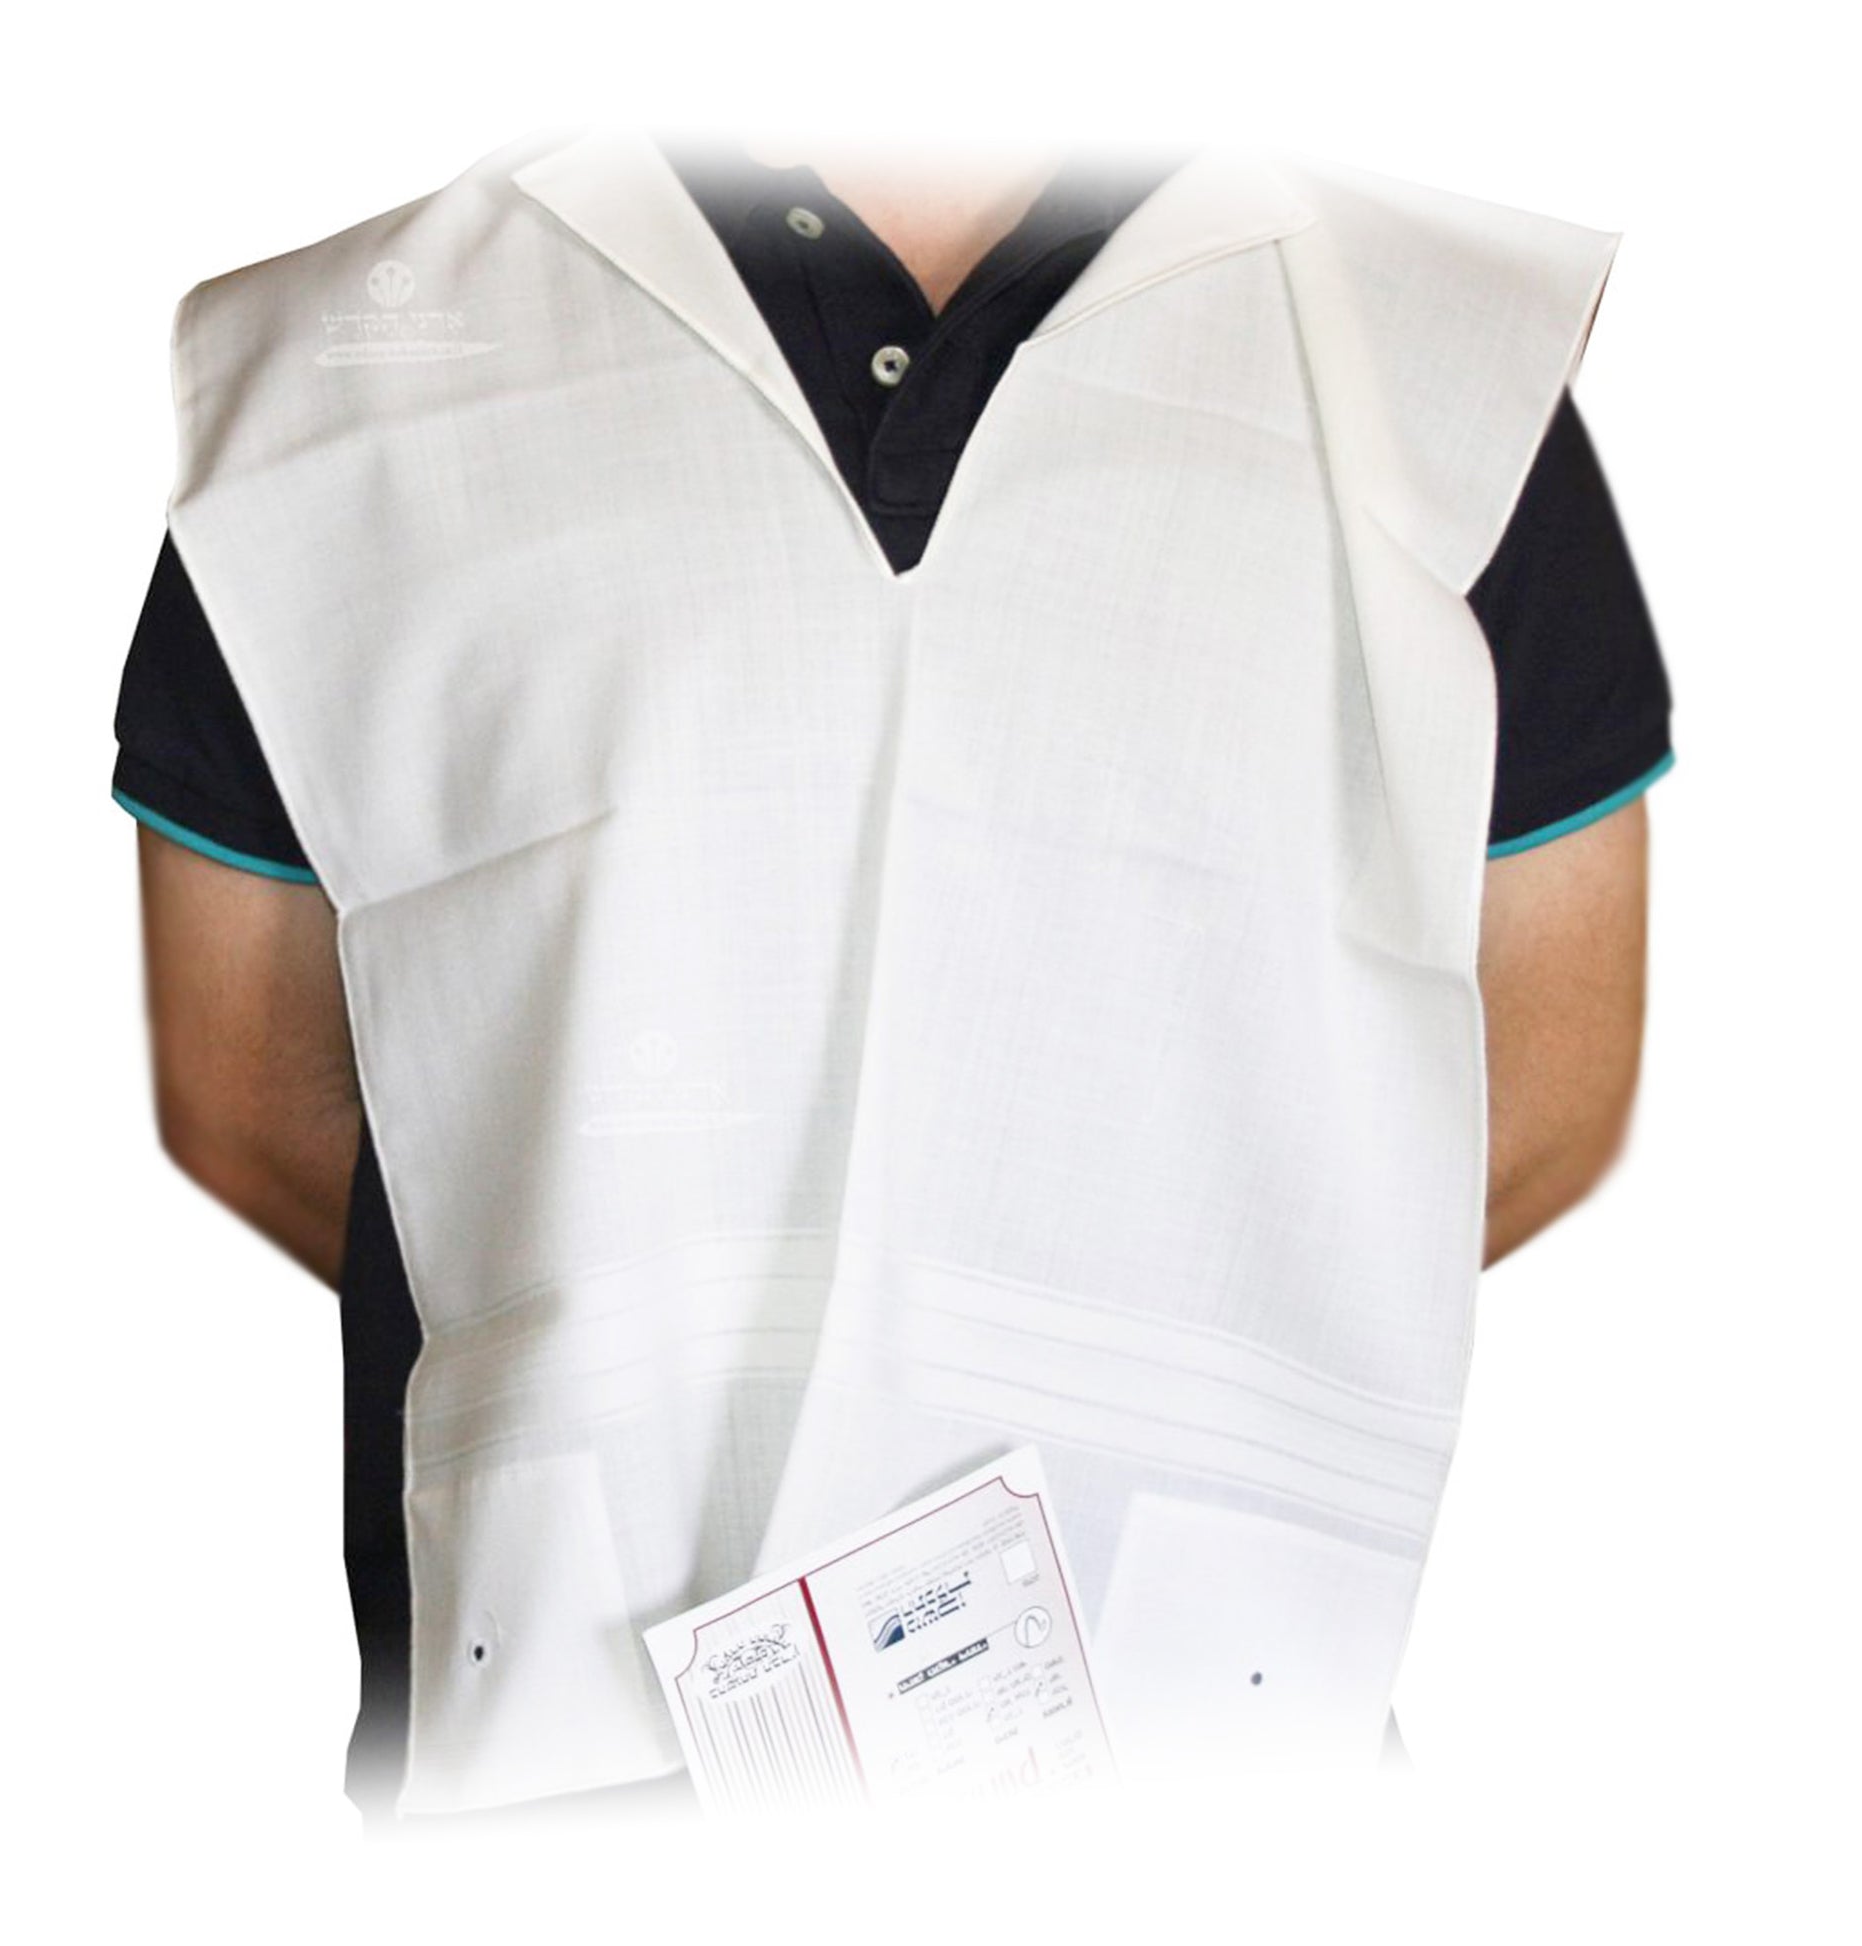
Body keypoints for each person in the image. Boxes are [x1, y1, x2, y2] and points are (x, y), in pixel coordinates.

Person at [111, 121, 1674, 1828]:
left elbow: (1541, 1082)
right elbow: (246, 1089)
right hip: (563, 1761)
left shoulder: (1441, 353)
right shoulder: (345, 366)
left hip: (1204, 1752)